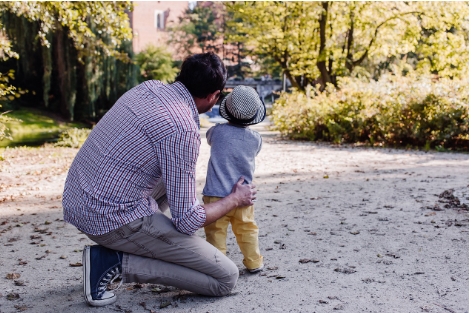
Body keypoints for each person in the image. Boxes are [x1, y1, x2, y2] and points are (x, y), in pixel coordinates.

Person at [62, 52, 257, 307]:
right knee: (225, 278)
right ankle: (113, 263)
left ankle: (150, 240)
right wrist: (234, 199)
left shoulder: (148, 88)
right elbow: (189, 221)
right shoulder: (183, 128)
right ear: (213, 96)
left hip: (79, 198)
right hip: (108, 217)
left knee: (174, 176)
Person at [202, 85, 266, 273]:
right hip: (244, 196)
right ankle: (254, 262)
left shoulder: (216, 132)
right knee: (247, 230)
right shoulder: (256, 139)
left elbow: (208, 138)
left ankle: (219, 266)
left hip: (215, 197)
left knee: (215, 233)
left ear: (226, 110)